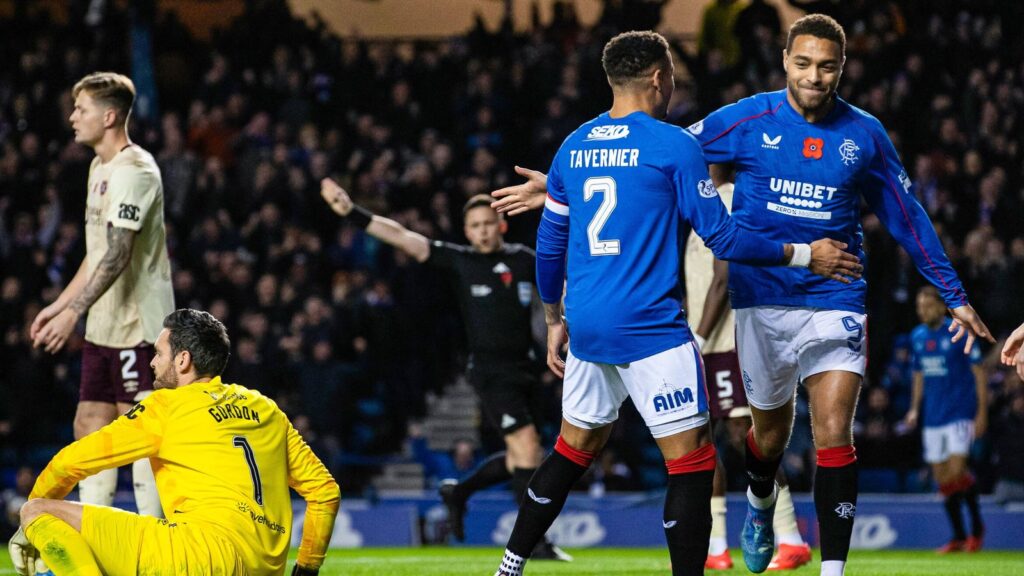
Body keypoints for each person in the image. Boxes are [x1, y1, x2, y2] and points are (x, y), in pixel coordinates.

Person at [489, 14, 993, 576]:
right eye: (803, 63)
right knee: (759, 440)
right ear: (784, 61)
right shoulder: (740, 120)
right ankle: (759, 504)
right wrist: (563, 188)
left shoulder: (864, 134)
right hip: (756, 301)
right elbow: (679, 177)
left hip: (834, 294)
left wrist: (953, 291)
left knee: (831, 430)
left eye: (827, 66)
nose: (814, 76)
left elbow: (906, 215)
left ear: (842, 68)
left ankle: (832, 570)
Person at [319, 183, 569, 560]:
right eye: (476, 225)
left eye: (489, 222)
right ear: (467, 232)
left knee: (522, 459)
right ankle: (535, 544)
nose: (483, 230)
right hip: (489, 371)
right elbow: (404, 237)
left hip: (526, 369)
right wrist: (353, 212)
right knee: (529, 445)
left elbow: (558, 282)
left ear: (501, 225)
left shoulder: (522, 258)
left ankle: (460, 491)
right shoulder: (460, 261)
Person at [8, 309, 340, 576]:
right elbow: (325, 493)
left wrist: (30, 526)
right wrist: (307, 568)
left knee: (37, 510)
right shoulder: (266, 409)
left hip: (196, 557)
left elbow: (70, 462)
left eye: (158, 353)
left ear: (182, 360)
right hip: (263, 569)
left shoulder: (166, 406)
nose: (152, 362)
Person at [29, 72, 174, 519]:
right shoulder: (99, 167)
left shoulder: (136, 171)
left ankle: (154, 548)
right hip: (104, 326)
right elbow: (96, 254)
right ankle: (97, 538)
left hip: (140, 329)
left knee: (143, 437)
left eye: (82, 109)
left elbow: (118, 254)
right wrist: (59, 305)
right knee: (89, 424)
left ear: (109, 116)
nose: (73, 117)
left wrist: (72, 313)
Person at [684, 181, 811, 571]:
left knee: (746, 438)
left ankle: (790, 538)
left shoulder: (727, 197)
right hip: (711, 342)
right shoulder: (696, 202)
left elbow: (724, 279)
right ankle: (717, 546)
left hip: (729, 341)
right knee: (704, 439)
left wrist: (699, 338)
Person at [903, 287, 986, 553]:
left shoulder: (958, 332)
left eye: (927, 305)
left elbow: (979, 373)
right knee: (944, 480)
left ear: (941, 307)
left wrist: (981, 412)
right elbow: (918, 375)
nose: (922, 310)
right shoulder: (916, 336)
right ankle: (959, 536)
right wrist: (914, 408)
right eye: (919, 306)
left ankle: (976, 529)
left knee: (957, 471)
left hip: (959, 412)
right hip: (932, 417)